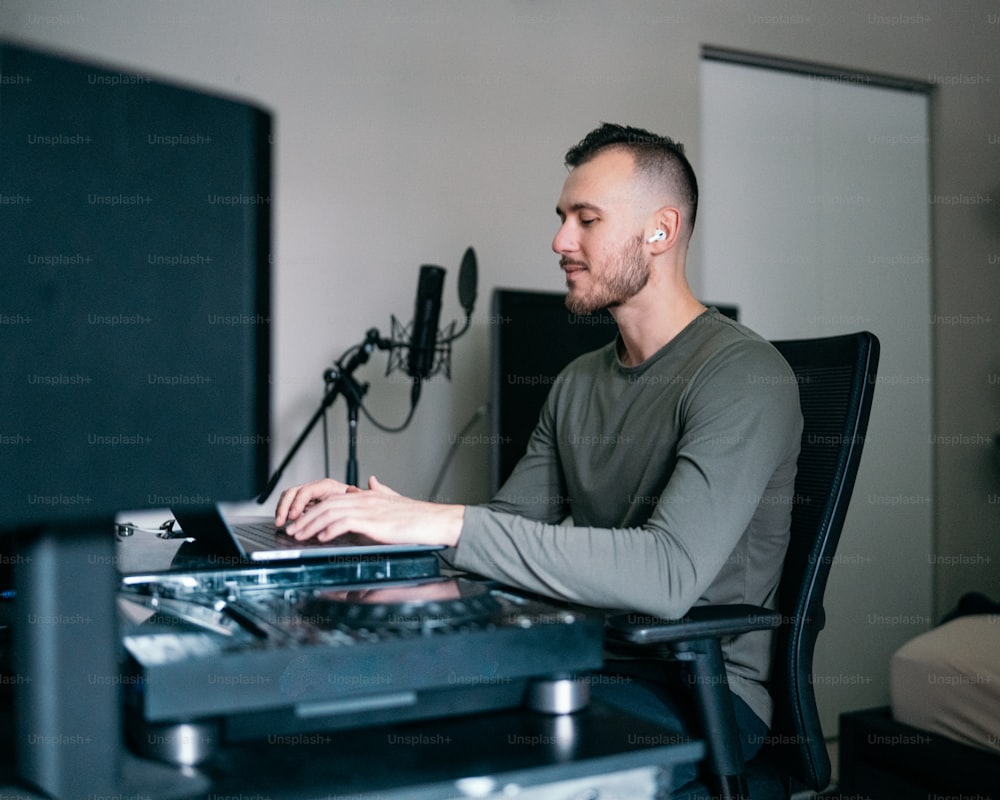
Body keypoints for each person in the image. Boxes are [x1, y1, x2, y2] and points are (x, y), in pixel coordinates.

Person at [274, 122, 803, 786]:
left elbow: (667, 576)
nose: (559, 242)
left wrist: (439, 522)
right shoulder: (579, 379)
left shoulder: (743, 374)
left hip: (698, 689)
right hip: (577, 654)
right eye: (562, 219)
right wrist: (367, 531)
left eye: (587, 219)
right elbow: (502, 532)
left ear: (660, 231)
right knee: (357, 724)